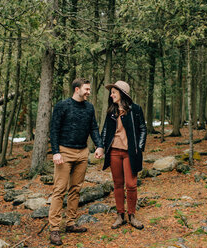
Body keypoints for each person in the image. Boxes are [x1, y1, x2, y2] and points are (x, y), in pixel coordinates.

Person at [49, 78, 104, 246]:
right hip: (64, 152)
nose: (89, 92)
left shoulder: (89, 108)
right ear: (77, 89)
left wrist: (99, 145)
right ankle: (54, 229)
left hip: (82, 152)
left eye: (89, 89)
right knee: (59, 190)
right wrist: (56, 152)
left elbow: (93, 128)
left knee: (76, 189)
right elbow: (54, 129)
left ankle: (70, 223)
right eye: (86, 89)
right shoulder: (62, 105)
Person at [101, 80, 147, 230]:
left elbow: (143, 129)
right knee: (118, 184)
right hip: (114, 152)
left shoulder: (136, 110)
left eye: (114, 92)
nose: (111, 94)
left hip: (130, 153)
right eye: (111, 92)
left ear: (122, 93)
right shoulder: (111, 111)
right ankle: (120, 215)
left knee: (131, 185)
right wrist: (101, 147)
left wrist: (139, 148)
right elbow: (106, 131)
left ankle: (132, 215)